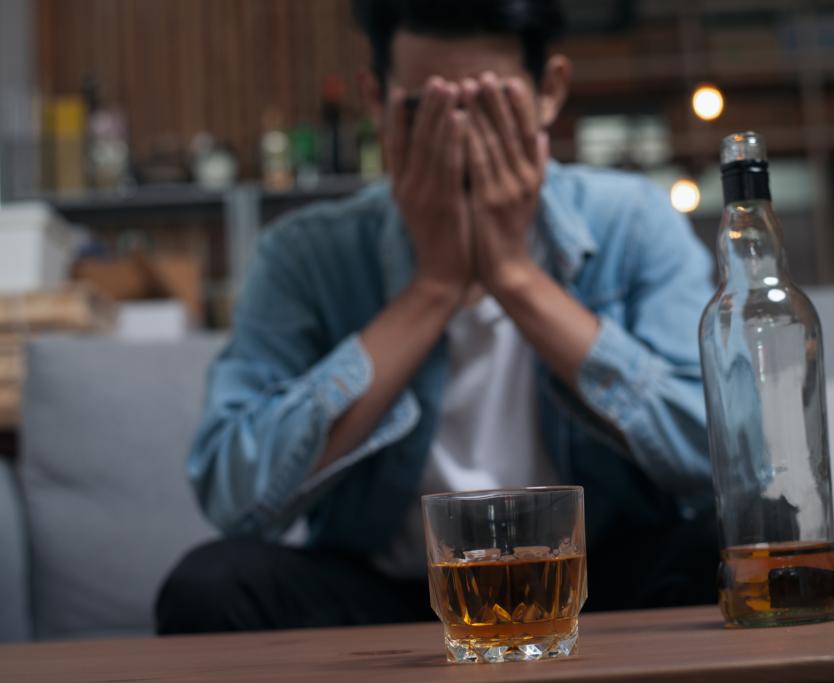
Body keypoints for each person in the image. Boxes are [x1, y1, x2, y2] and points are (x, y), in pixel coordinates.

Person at [156, 0, 718, 635]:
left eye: (490, 106)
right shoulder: (307, 254)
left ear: (548, 93)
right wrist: (432, 288)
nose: (459, 137)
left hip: (593, 583)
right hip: (387, 595)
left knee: (733, 550)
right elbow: (234, 495)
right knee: (210, 586)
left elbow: (719, 459)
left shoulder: (632, 221)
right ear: (377, 101)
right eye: (428, 110)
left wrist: (515, 278)